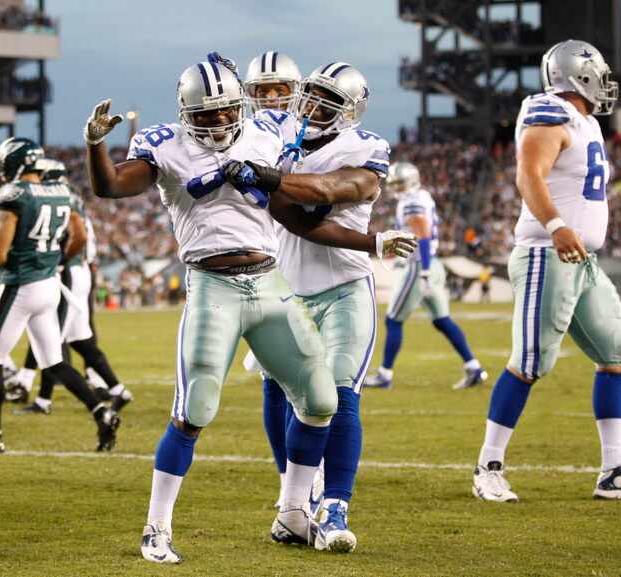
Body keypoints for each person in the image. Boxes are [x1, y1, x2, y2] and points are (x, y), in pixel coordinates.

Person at [84, 60, 411, 564]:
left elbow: (298, 222)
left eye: (225, 112)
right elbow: (112, 186)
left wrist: (370, 241)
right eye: (208, 115)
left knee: (323, 399)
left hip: (269, 284)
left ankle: (296, 512)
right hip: (213, 287)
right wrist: (93, 148)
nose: (218, 124)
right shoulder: (166, 144)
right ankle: (156, 528)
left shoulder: (260, 139)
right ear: (187, 112)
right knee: (194, 411)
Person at [471, 40, 621, 502]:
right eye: (598, 72)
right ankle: (488, 467)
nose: (605, 82)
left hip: (582, 260)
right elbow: (528, 175)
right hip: (547, 252)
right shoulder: (548, 111)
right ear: (578, 74)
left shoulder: (588, 122)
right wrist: (556, 225)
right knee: (529, 362)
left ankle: (614, 469)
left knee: (617, 354)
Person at [226, 62, 407, 553]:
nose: (311, 108)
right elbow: (295, 220)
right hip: (285, 288)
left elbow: (331, 190)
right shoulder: (274, 135)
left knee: (341, 392)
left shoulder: (366, 147)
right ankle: (293, 505)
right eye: (310, 96)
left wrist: (269, 177)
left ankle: (334, 508)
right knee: (279, 391)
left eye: (326, 101)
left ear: (348, 112)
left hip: (345, 287)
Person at [0, 137, 120, 453]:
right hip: (48, 285)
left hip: (20, 284)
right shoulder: (61, 193)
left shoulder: (13, 194)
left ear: (14, 162)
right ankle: (102, 412)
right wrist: (54, 259)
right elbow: (80, 236)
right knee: (55, 362)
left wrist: (13, 257)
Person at [11, 158, 132, 415]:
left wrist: (61, 261)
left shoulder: (58, 198)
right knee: (80, 340)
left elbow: (78, 237)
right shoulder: (73, 197)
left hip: (69, 271)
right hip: (82, 272)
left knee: (51, 336)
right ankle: (118, 390)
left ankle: (43, 401)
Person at [364, 162, 487, 390]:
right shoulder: (423, 196)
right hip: (431, 262)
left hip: (419, 265)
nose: (395, 188)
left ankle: (384, 374)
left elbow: (423, 235)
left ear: (410, 181)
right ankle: (474, 367)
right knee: (442, 320)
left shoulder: (411, 202)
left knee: (393, 320)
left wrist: (425, 272)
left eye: (399, 184)